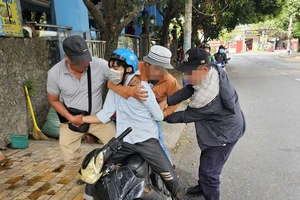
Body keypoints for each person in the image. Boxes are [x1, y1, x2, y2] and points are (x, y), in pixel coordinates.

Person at [81, 48, 182, 199]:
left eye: (116, 68)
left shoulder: (146, 87)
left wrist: (163, 104)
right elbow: (105, 114)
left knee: (169, 175)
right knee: (96, 165)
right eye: (111, 68)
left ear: (128, 69)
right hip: (125, 139)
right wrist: (80, 119)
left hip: (145, 140)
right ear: (147, 64)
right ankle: (89, 196)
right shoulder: (121, 84)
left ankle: (176, 195)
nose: (112, 71)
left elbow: (159, 116)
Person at [160, 47, 246, 200]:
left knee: (210, 173)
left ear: (204, 69)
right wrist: (168, 100)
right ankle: (202, 187)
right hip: (220, 129)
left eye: (189, 73)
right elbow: (188, 89)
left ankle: (210, 193)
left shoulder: (207, 99)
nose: (186, 76)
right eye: (185, 71)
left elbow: (186, 115)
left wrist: (162, 115)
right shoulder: (211, 71)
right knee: (206, 161)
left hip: (223, 136)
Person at [47, 35, 115, 171]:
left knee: (117, 146)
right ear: (66, 57)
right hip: (72, 119)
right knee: (69, 156)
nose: (85, 64)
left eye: (86, 60)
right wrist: (70, 117)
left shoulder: (100, 65)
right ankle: (83, 173)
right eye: (79, 62)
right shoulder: (55, 73)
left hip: (98, 118)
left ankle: (109, 172)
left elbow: (122, 77)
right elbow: (53, 100)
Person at [107, 45, 181, 165]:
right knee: (123, 143)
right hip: (128, 115)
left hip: (151, 117)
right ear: (147, 64)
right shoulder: (133, 67)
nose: (161, 72)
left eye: (164, 68)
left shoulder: (170, 81)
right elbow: (111, 84)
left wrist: (165, 112)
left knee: (159, 144)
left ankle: (168, 171)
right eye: (157, 68)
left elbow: (177, 100)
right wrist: (130, 91)